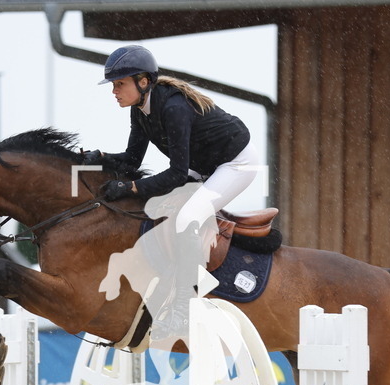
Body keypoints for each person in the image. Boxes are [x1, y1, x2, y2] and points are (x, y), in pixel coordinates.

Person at [85, 45, 259, 341]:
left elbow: (177, 174)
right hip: (203, 165)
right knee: (153, 208)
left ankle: (184, 306)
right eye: (114, 85)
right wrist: (98, 157)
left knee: (187, 217)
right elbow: (131, 160)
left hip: (236, 163)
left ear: (143, 81)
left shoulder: (174, 107)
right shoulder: (140, 110)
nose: (114, 91)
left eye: (119, 84)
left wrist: (131, 187)